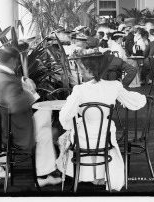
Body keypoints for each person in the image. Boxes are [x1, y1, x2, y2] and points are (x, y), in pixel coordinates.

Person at [57, 54, 146, 191]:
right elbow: (135, 102)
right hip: (105, 137)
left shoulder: (79, 90)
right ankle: (99, 175)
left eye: (81, 69)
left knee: (67, 135)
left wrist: (70, 126)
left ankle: (85, 175)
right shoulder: (114, 86)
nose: (80, 72)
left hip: (83, 140)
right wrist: (144, 97)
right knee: (106, 128)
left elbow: (64, 116)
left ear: (89, 71)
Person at [0, 46, 60, 186]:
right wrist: (28, 95)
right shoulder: (9, 81)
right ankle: (42, 176)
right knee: (45, 126)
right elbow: (17, 107)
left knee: (44, 122)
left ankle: (44, 171)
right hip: (10, 134)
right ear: (13, 61)